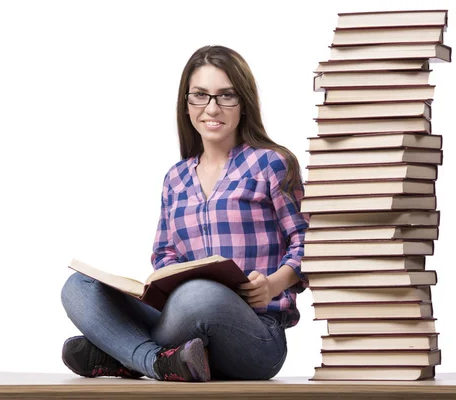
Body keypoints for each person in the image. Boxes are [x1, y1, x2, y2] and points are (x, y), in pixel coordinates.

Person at [60, 45, 309, 382]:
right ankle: (161, 362)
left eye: (226, 96)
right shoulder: (176, 178)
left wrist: (273, 284)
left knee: (198, 296)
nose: (212, 108)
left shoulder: (272, 163)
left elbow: (308, 242)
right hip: (181, 321)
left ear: (244, 102)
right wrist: (162, 284)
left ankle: (121, 352)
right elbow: (165, 254)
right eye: (200, 96)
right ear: (186, 103)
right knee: (79, 286)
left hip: (256, 335)